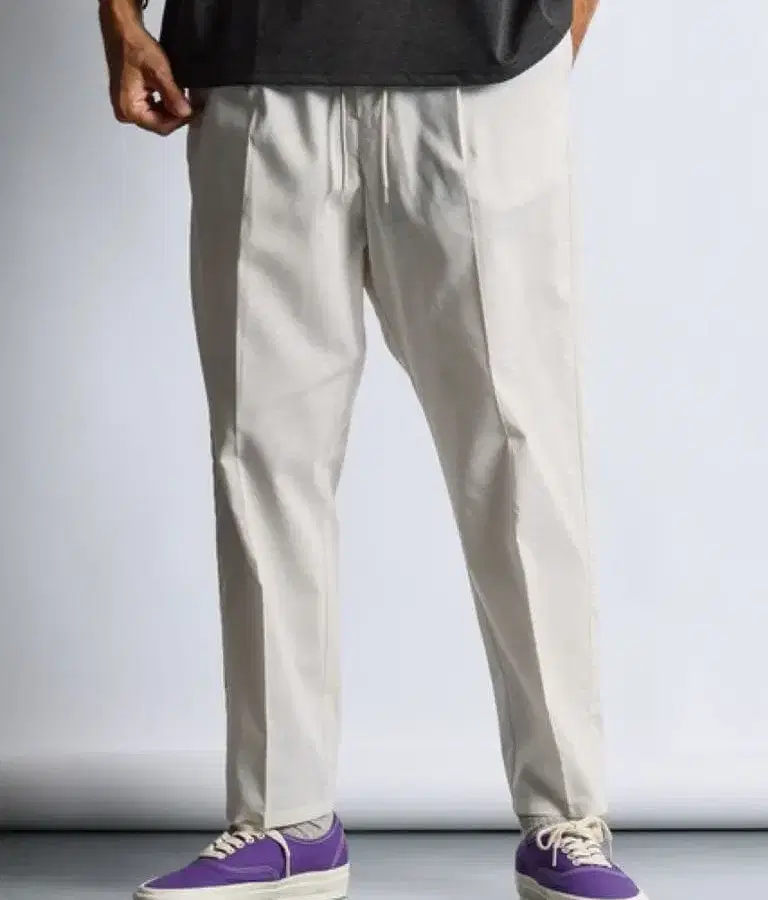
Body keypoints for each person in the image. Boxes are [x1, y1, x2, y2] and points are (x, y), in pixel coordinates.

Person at [98, 1, 646, 898]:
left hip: (484, 67)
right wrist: (119, 15)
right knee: (263, 455)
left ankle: (567, 818)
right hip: (253, 63)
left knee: (519, 453)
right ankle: (283, 820)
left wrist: (550, 31)